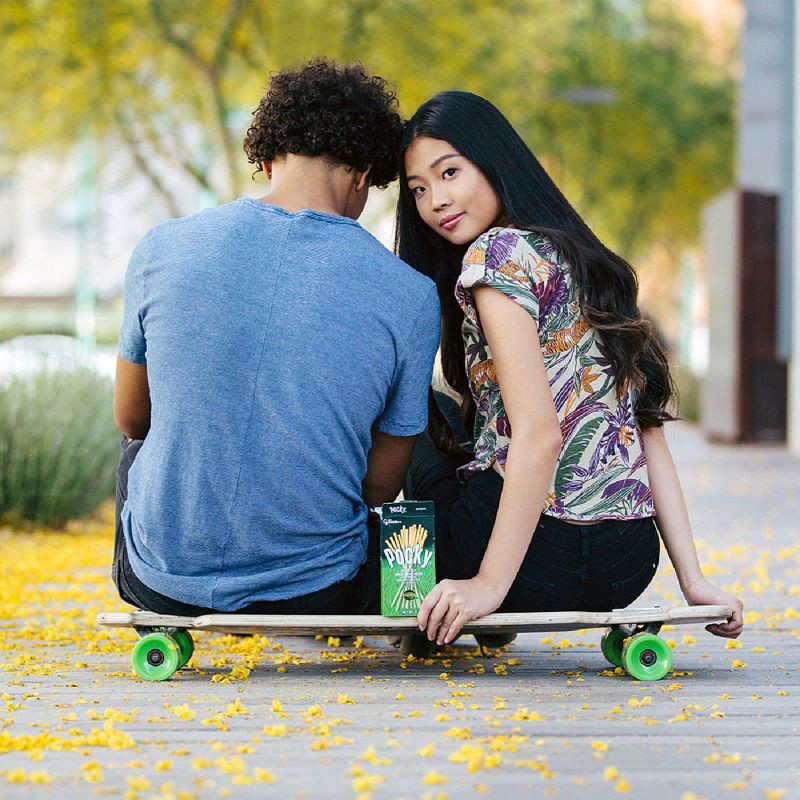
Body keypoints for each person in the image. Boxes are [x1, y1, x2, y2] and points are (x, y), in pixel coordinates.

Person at [395, 90, 744, 649]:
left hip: (531, 560)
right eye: (418, 189)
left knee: (417, 407)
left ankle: (455, 601)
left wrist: (487, 586)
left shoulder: (496, 257)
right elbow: (647, 437)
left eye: (450, 172)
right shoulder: (591, 266)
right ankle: (499, 603)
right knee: (461, 422)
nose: (436, 200)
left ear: (494, 160)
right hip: (626, 563)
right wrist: (694, 582)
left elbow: (539, 435)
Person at [112, 59, 440, 617]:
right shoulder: (410, 294)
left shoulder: (161, 248)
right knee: (425, 427)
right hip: (320, 590)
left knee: (135, 456)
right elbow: (378, 491)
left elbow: (132, 420)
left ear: (266, 161)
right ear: (363, 173)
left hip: (163, 585)